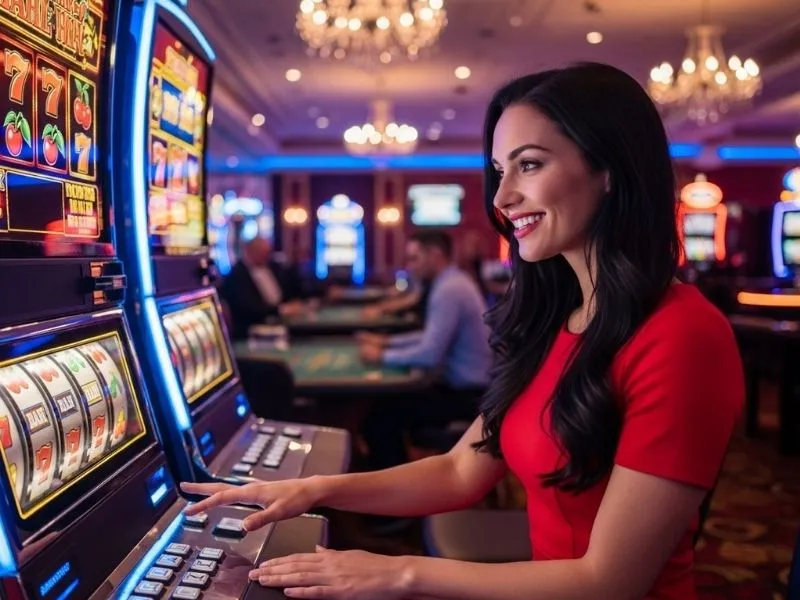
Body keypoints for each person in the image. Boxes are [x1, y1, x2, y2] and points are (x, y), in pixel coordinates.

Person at [182, 63, 743, 600]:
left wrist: (399, 574)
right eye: (500, 172)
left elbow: (609, 581)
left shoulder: (682, 335)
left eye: (529, 165)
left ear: (609, 171)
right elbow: (458, 471)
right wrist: (315, 488)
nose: (500, 199)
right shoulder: (558, 318)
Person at [356, 230, 492, 473]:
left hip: (467, 395)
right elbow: (431, 336)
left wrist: (382, 356)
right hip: (466, 388)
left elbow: (430, 354)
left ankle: (392, 502)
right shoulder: (451, 281)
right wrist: (387, 342)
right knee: (381, 411)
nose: (410, 266)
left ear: (435, 255)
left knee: (378, 420)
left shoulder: (450, 289)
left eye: (415, 258)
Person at [218, 238, 305, 339]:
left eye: (267, 253)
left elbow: (290, 290)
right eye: (262, 253)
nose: (266, 256)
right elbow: (249, 308)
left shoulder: (274, 267)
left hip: (280, 324)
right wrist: (282, 310)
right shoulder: (236, 275)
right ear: (249, 251)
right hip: (250, 332)